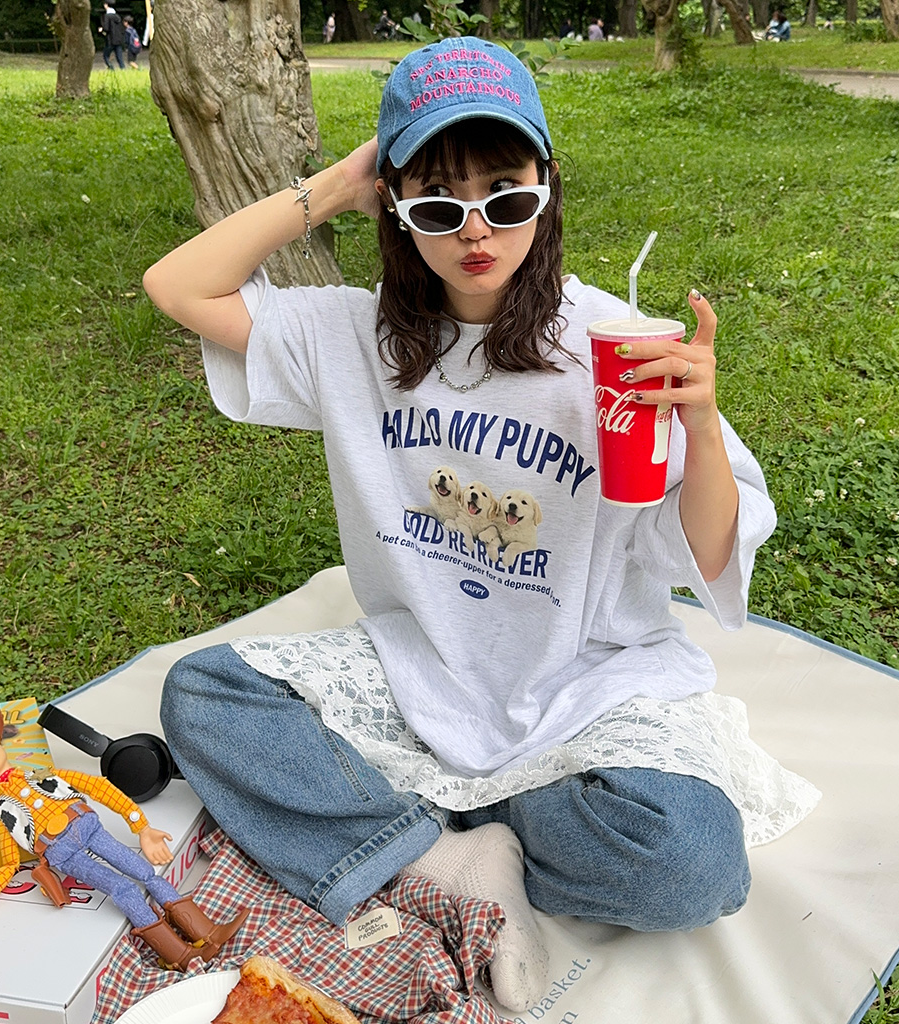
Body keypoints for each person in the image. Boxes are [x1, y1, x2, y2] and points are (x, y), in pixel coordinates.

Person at [144, 37, 817, 1013]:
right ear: (394, 206)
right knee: (206, 694)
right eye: (436, 202)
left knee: (687, 863)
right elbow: (178, 288)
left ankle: (408, 828)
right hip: (424, 668)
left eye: (505, 195)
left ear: (546, 187)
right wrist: (335, 186)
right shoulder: (354, 336)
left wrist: (701, 424)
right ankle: (452, 861)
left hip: (585, 687)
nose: (475, 231)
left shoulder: (614, 348)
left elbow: (707, 554)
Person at [0, 690, 249, 967]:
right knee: (123, 889)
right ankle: (180, 955)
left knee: (145, 872)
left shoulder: (43, 775)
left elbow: (98, 787)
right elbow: (7, 867)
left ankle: (207, 932)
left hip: (90, 827)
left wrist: (141, 827)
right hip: (64, 855)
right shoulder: (5, 814)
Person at [98, 1, 125, 69]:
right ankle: (123, 69)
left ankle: (111, 68)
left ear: (106, 5)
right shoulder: (117, 16)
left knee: (106, 55)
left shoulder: (107, 16)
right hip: (118, 39)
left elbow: (106, 28)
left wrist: (102, 29)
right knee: (119, 58)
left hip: (110, 40)